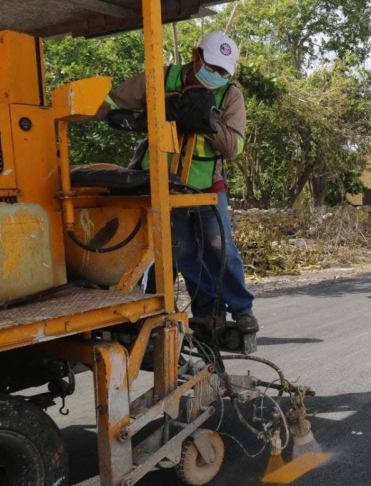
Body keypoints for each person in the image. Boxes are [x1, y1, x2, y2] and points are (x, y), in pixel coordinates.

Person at [95, 31, 259, 334]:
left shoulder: (230, 95)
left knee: (221, 249)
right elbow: (110, 101)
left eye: (223, 72)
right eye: (212, 67)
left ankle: (242, 309)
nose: (216, 76)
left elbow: (234, 148)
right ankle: (207, 312)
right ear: (196, 56)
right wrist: (129, 117)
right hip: (163, 184)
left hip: (207, 186)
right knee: (183, 253)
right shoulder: (160, 79)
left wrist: (208, 121)